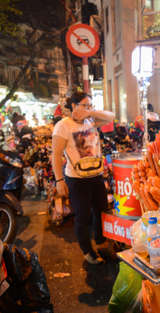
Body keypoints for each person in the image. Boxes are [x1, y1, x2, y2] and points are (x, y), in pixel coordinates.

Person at [51, 91, 114, 265]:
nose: (88, 109)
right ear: (73, 106)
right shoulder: (63, 126)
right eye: (85, 105)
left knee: (102, 211)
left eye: (90, 105)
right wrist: (59, 181)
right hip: (77, 180)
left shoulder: (91, 121)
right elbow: (55, 155)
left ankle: (102, 243)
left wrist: (90, 112)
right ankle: (87, 251)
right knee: (83, 216)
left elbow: (111, 117)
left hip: (96, 176)